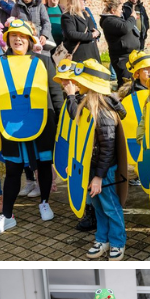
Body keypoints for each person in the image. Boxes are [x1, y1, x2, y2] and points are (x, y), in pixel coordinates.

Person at [0, 19, 63, 237]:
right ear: (8, 39)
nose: (17, 39)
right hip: (11, 123)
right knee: (12, 170)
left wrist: (59, 125)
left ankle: (45, 202)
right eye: (13, 36)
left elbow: (56, 95)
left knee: (44, 164)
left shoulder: (44, 61)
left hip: (42, 122)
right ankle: (7, 217)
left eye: (22, 36)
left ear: (30, 40)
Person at [61, 59, 129, 260]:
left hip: (103, 170)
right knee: (97, 205)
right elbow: (77, 122)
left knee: (110, 206)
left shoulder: (104, 112)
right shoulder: (89, 105)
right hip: (90, 167)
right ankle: (102, 238)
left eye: (81, 82)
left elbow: (107, 148)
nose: (77, 85)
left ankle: (117, 242)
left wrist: (99, 177)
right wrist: (71, 97)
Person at [99, 0, 141, 88]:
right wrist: (132, 18)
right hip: (121, 58)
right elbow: (125, 27)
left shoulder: (114, 19)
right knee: (125, 84)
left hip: (128, 56)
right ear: (113, 11)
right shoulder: (109, 21)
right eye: (120, 9)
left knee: (132, 83)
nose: (121, 11)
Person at [60, 0, 102, 64]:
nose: (85, 2)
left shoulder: (86, 14)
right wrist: (91, 35)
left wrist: (98, 33)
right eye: (84, 0)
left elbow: (93, 29)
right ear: (76, 1)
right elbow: (71, 34)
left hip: (92, 53)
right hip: (79, 55)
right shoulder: (67, 16)